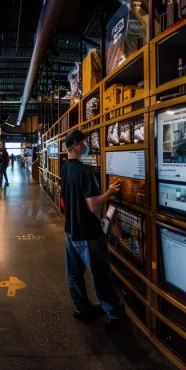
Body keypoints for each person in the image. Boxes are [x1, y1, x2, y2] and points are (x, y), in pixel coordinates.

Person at [60, 129, 124, 323]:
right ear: (78, 145)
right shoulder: (85, 170)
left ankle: (81, 308)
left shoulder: (65, 168)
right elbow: (94, 204)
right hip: (87, 231)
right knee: (101, 275)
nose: (87, 146)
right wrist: (110, 192)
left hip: (70, 230)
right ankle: (115, 314)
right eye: (85, 142)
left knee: (74, 273)